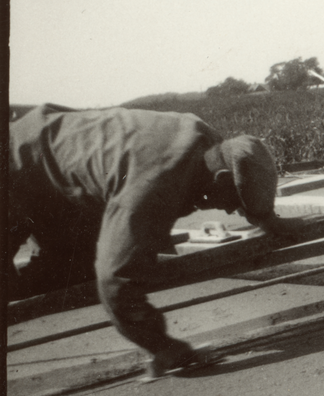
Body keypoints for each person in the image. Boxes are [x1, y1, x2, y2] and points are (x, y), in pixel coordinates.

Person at [8, 104, 306, 377]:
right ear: (221, 179)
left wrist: (266, 217)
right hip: (13, 167)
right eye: (231, 202)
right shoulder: (155, 183)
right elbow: (117, 281)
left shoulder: (209, 143)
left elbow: (244, 176)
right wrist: (163, 346)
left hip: (53, 166)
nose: (229, 210)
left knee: (73, 268)